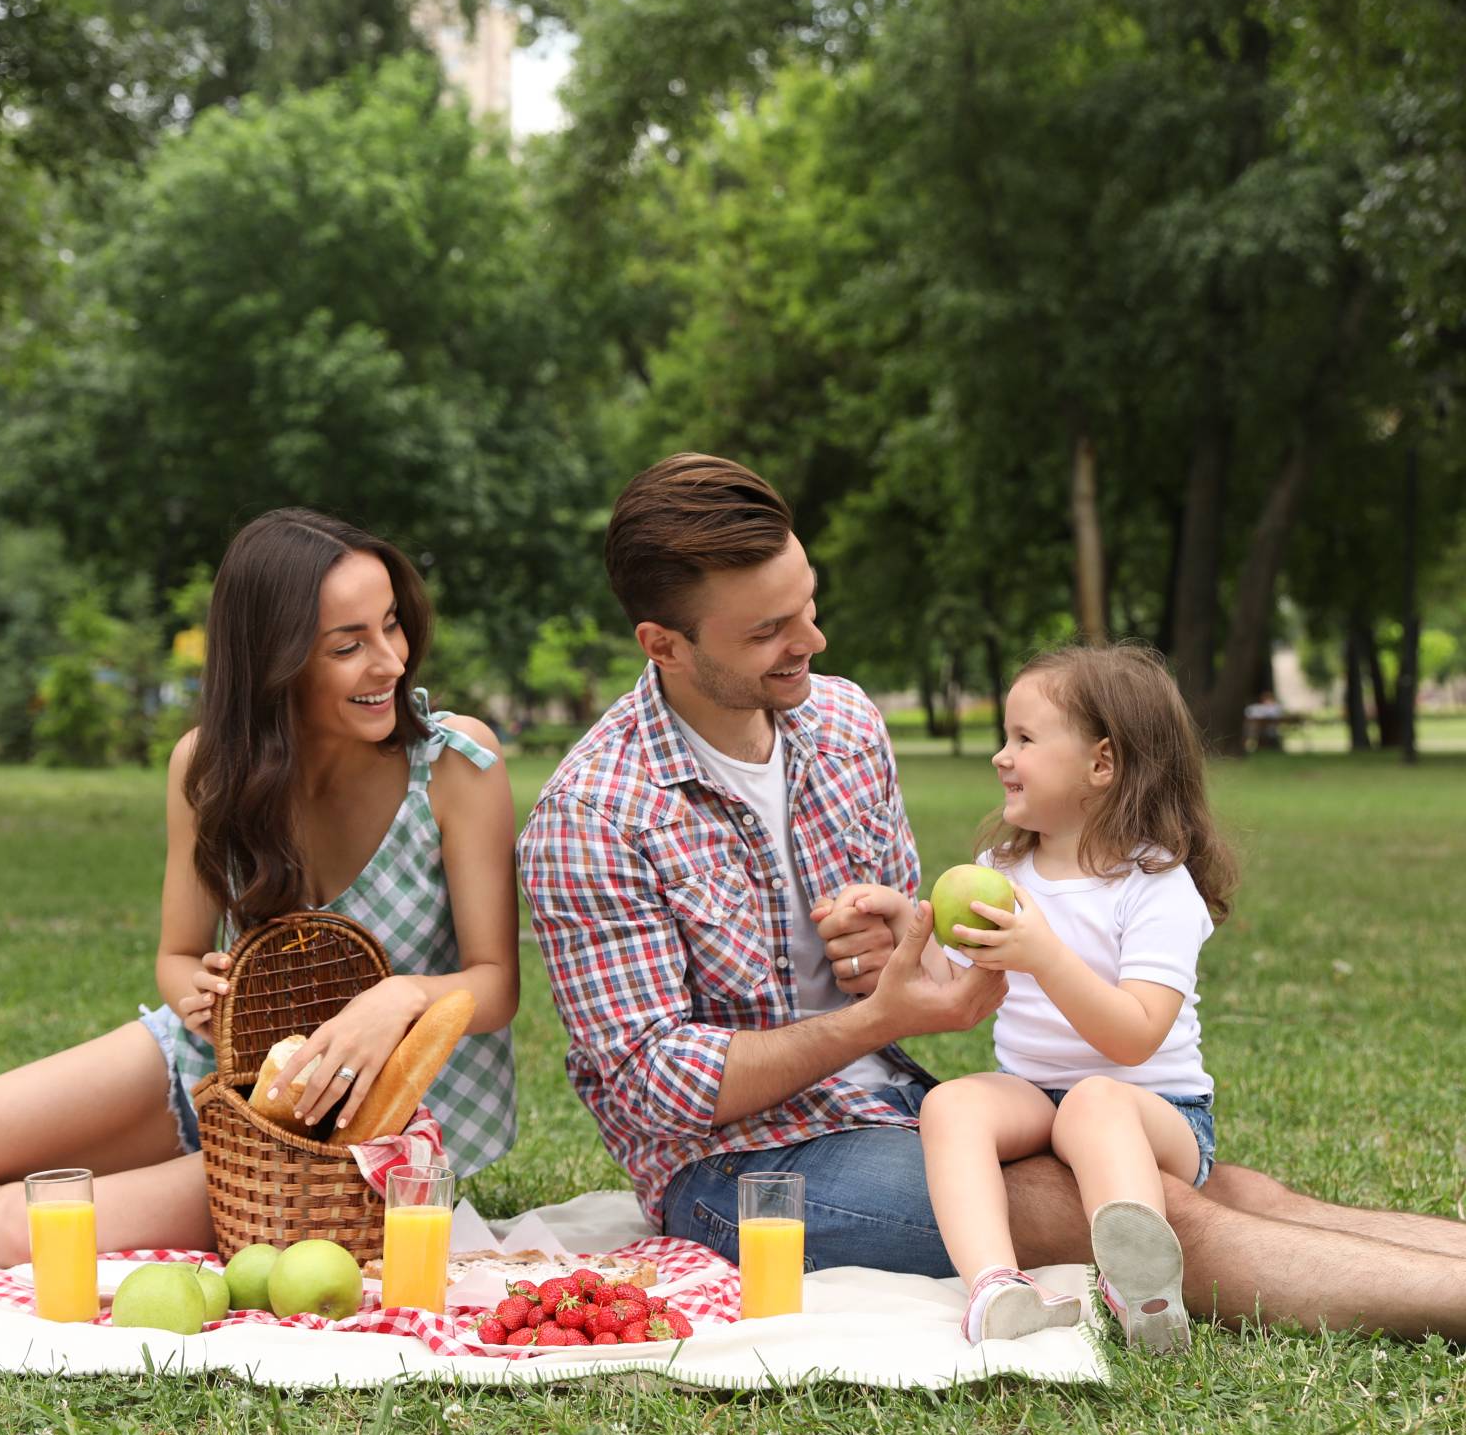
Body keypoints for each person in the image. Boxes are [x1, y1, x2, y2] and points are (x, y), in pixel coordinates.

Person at [518, 452, 1466, 1341]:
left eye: (806, 605)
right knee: (1136, 1210)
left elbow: (907, 959)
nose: (811, 640)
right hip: (740, 1167)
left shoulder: (841, 722)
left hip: (895, 1105)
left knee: (1226, 1188)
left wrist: (906, 943)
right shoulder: (592, 814)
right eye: (767, 631)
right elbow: (651, 1088)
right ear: (664, 645)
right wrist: (871, 1021)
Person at [0, 508, 519, 1266]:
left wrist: (400, 997)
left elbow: (495, 985)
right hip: (216, 1068)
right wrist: (199, 996)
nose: (390, 662)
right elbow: (178, 955)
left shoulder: (456, 764)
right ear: (277, 659)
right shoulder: (209, 768)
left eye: (392, 626)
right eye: (349, 645)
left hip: (364, 1136)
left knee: (25, 1229)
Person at [840, 644, 1232, 1350]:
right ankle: (995, 1285)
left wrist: (1045, 956)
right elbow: (940, 971)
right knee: (951, 1102)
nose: (1001, 755)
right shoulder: (1004, 870)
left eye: (1024, 738)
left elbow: (1136, 1036)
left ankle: (1141, 1292)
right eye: (1005, 736)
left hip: (1156, 1110)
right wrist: (909, 923)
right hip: (1038, 1097)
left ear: (1101, 764)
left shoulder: (1156, 886)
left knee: (1095, 1101)